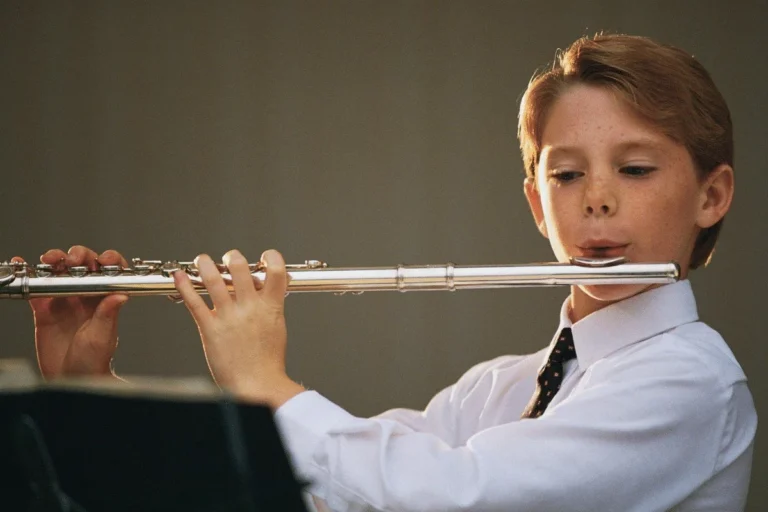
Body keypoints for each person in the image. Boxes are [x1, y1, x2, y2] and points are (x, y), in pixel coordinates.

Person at [15, 33, 756, 511]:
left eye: (633, 168)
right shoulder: (501, 385)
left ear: (711, 195)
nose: (596, 198)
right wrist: (92, 397)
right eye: (566, 176)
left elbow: (459, 499)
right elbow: (320, 494)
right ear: (536, 203)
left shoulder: (689, 380)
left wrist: (267, 386)